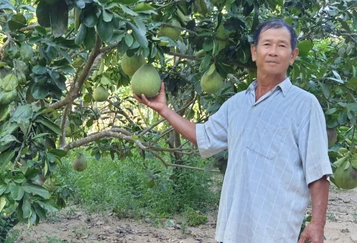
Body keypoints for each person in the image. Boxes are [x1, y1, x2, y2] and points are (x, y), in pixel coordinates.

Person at [134, 19, 333, 243]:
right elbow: (204, 137)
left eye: (282, 46)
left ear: (293, 55)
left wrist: (317, 224)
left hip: (275, 231)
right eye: (267, 44)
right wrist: (164, 110)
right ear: (254, 52)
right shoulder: (236, 104)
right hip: (232, 230)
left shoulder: (304, 105)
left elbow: (317, 171)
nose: (274, 52)